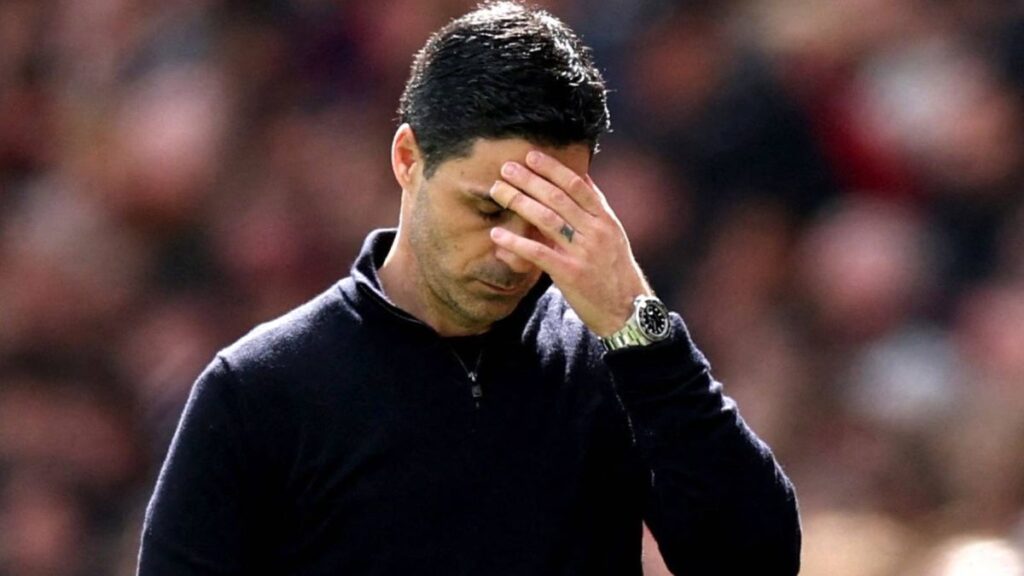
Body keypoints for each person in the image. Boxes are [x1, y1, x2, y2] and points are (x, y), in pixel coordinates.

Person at [137, 3, 801, 574]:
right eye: (487, 209)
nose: (513, 249)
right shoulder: (259, 391)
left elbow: (756, 561)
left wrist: (639, 324)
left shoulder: (617, 364)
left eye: (546, 217)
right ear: (408, 159)